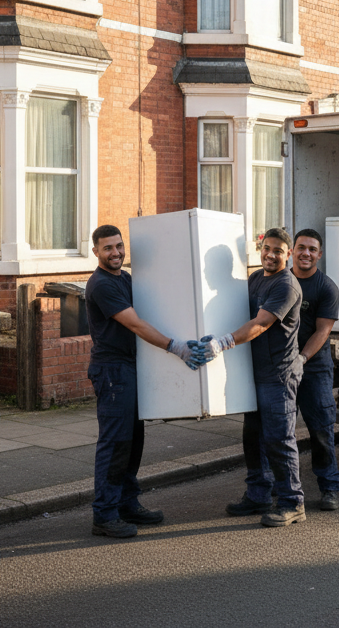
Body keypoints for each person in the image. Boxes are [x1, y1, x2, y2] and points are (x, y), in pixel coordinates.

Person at [85, 224, 205, 539]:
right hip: (112, 372)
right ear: (95, 251)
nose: (116, 252)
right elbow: (136, 324)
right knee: (115, 444)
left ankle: (127, 503)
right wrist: (175, 346)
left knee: (133, 442)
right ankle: (105, 514)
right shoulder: (101, 285)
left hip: (130, 369)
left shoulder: (125, 278)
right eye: (108, 248)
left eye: (119, 246)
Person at [196, 228, 306, 527]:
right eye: (267, 248)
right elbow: (234, 307)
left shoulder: (286, 285)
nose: (270, 255)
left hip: (279, 376)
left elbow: (260, 323)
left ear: (289, 255)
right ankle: (258, 494)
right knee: (253, 438)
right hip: (254, 373)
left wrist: (222, 342)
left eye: (278, 251)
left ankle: (292, 502)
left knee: (279, 440)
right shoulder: (257, 278)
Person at [289, 229, 339, 511]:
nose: (306, 253)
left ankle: (330, 487)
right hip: (280, 369)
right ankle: (279, 488)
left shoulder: (326, 287)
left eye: (311, 249)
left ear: (319, 254)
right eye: (301, 248)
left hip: (315, 369)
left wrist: (302, 358)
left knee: (321, 430)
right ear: (292, 251)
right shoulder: (280, 282)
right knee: (276, 433)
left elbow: (323, 331)